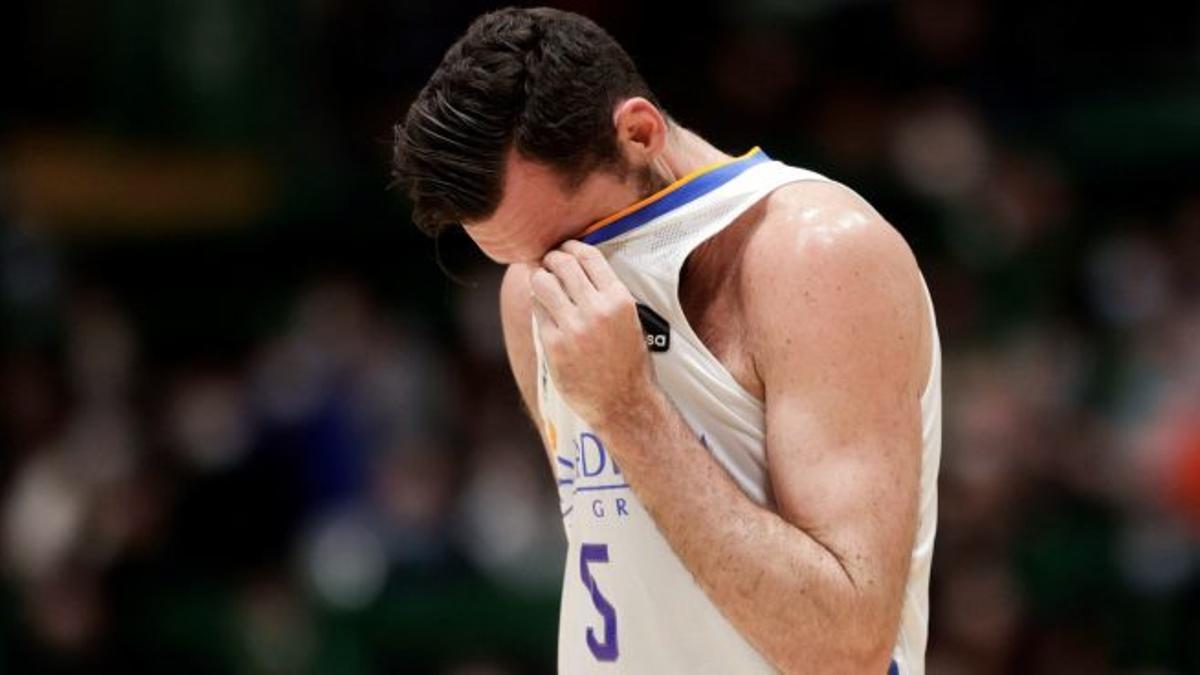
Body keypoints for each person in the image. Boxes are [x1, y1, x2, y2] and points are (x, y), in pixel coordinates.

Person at [392, 7, 941, 674]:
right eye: (525, 259)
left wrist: (629, 409)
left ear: (639, 132)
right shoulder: (528, 290)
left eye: (575, 241)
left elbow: (844, 646)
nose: (564, 279)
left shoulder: (814, 254)